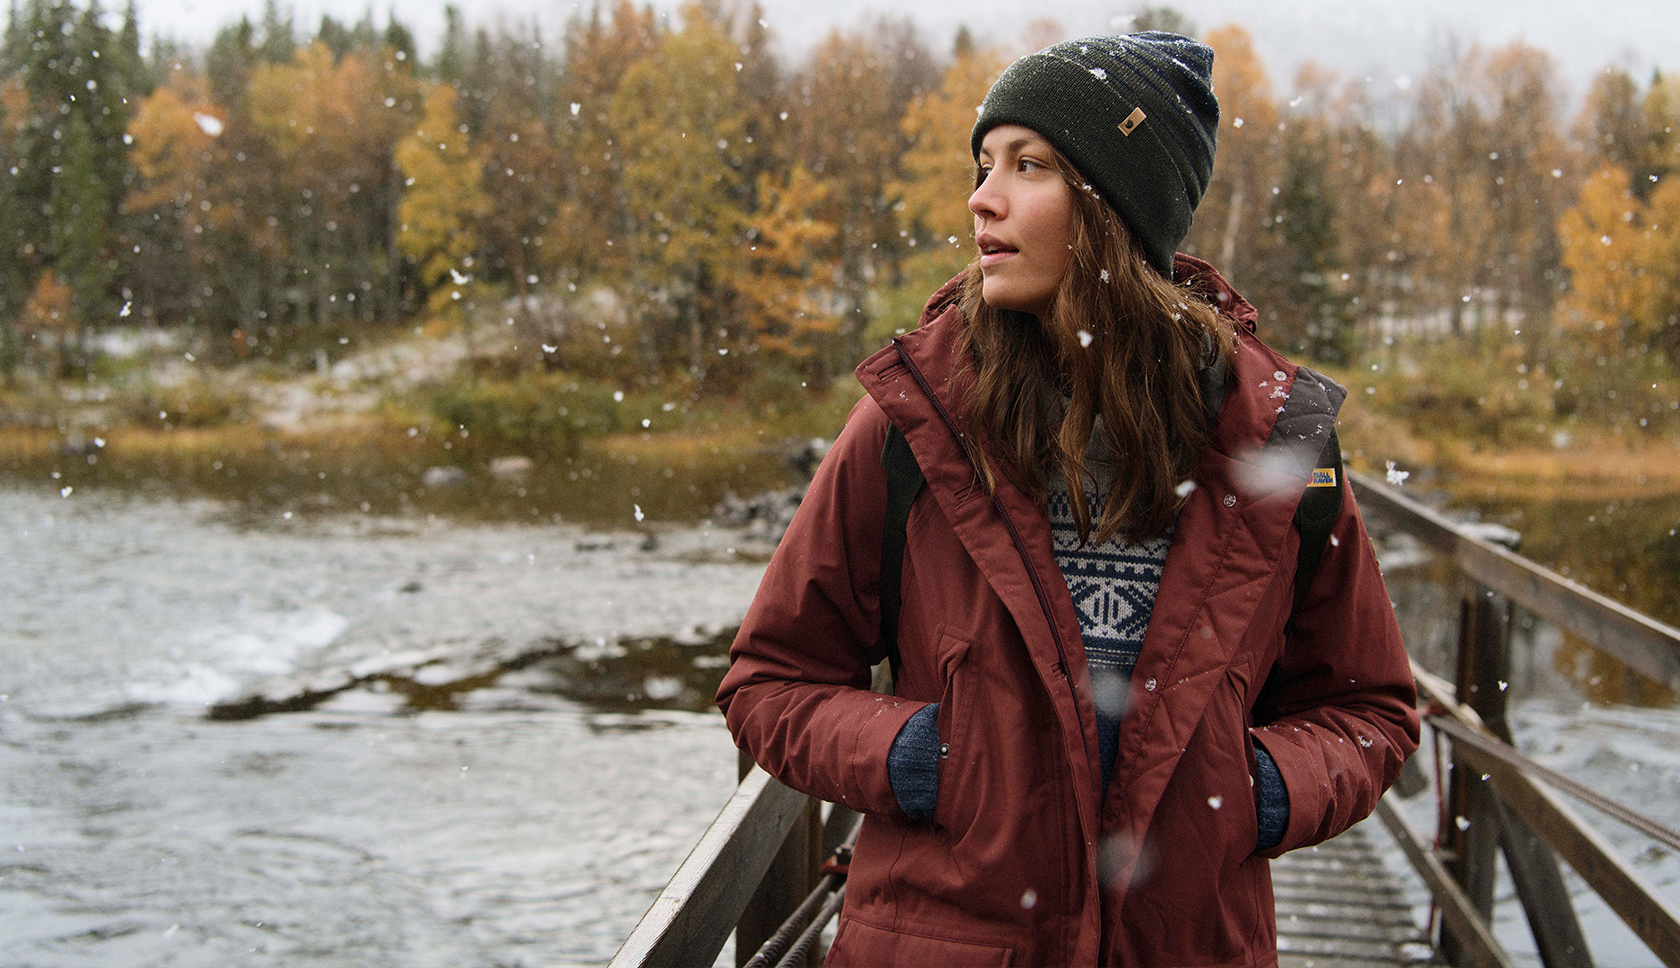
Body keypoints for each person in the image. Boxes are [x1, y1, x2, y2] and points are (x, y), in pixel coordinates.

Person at [716, 31, 1419, 967]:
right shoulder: (915, 421)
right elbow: (770, 682)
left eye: (1029, 163)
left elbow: (1371, 709)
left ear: (1116, 205)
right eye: (983, 164)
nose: (982, 196)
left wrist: (1258, 790)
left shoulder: (1281, 440)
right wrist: (921, 759)